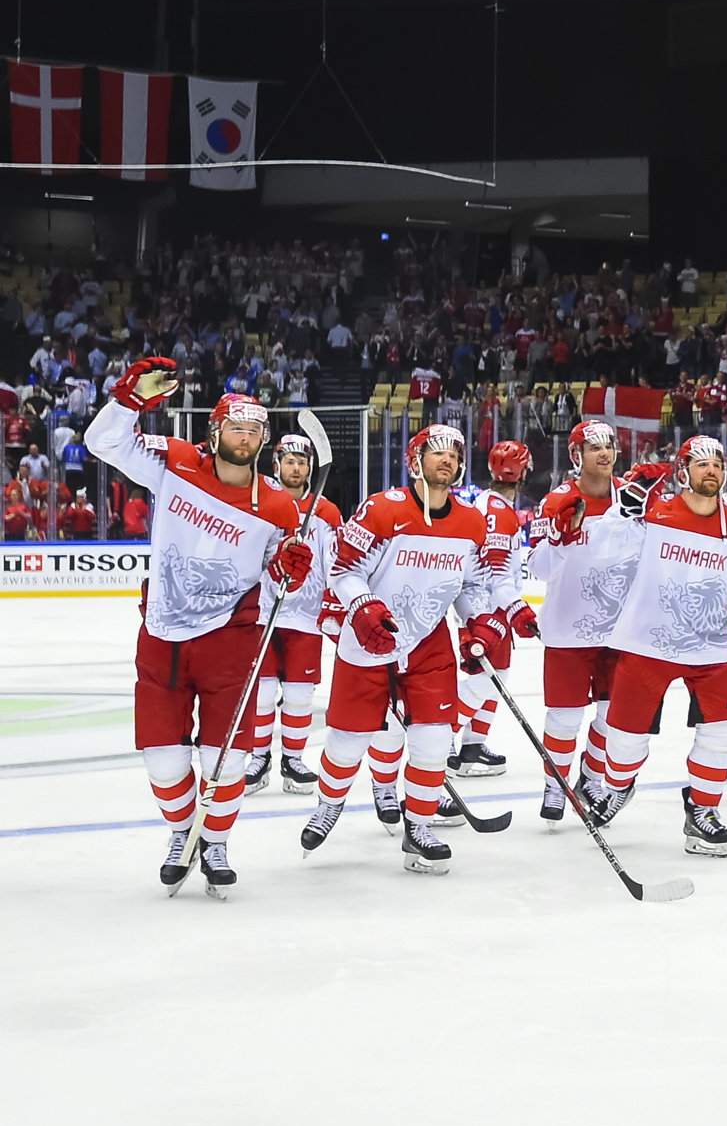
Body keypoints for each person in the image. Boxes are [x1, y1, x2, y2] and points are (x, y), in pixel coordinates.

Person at [85, 363, 309, 898]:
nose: (246, 438)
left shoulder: (278, 506)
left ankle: (216, 843)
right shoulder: (178, 462)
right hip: (162, 633)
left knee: (227, 758)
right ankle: (183, 829)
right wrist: (129, 401)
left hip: (231, 639)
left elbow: (282, 576)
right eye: (237, 427)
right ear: (214, 432)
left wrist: (289, 569)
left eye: (256, 431)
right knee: (163, 762)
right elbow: (102, 442)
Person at [552, 435, 727, 857]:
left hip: (712, 650)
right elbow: (606, 547)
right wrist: (627, 507)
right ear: (683, 471)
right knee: (624, 743)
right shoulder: (654, 512)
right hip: (647, 644)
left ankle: (702, 812)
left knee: (721, 734)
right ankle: (616, 785)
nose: (711, 470)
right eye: (700, 464)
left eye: (718, 463)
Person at [298, 425, 498, 873]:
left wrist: (477, 622)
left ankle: (419, 826)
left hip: (428, 645)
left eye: (454, 454)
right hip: (370, 642)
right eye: (436, 453)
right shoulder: (382, 509)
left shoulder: (470, 522)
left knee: (433, 741)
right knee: (348, 744)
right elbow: (343, 570)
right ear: (415, 461)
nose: (446, 460)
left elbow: (470, 586)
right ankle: (329, 804)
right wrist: (364, 605)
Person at [526, 420, 625, 823]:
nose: (604, 453)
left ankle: (591, 777)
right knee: (564, 717)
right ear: (577, 456)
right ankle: (555, 784)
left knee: (611, 715)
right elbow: (537, 568)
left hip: (620, 629)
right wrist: (561, 540)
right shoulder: (555, 501)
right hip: (568, 629)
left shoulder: (630, 500)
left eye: (610, 446)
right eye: (594, 447)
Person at [244, 434, 345, 797]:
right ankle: (258, 759)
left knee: (301, 693)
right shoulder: (263, 503)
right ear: (277, 465)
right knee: (263, 693)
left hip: (305, 615)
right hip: (263, 612)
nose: (297, 467)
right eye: (290, 461)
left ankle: (293, 760)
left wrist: (336, 603)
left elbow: (337, 563)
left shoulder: (327, 512)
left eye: (302, 462)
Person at [449, 439, 540, 780]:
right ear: (524, 473)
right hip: (490, 608)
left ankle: (473, 747)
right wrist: (516, 609)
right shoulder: (501, 513)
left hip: (481, 605)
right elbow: (499, 574)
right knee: (486, 682)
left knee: (491, 678)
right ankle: (443, 742)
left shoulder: (484, 503)